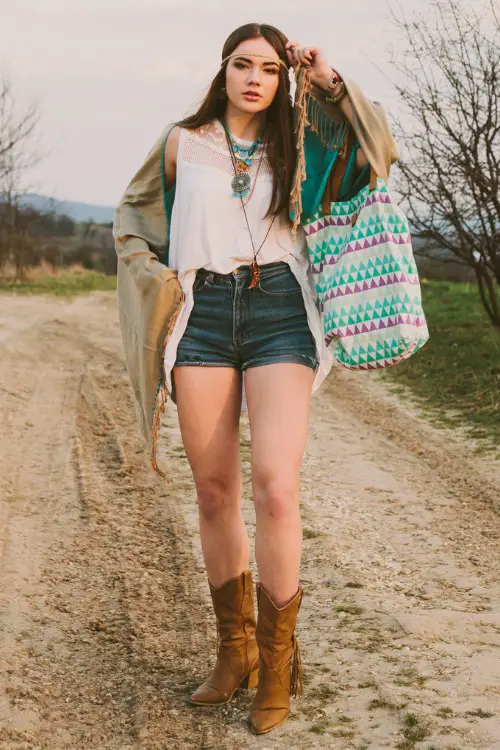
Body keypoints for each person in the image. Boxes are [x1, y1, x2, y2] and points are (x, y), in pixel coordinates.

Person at [113, 22, 399, 736]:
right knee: (213, 490)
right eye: (243, 65)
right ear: (223, 70)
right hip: (203, 312)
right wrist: (157, 279)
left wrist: (327, 83)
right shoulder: (182, 143)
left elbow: (377, 155)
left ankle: (278, 662)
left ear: (281, 79)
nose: (255, 78)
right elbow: (131, 219)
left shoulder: (304, 138)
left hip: (279, 309)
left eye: (270, 69)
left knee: (275, 484)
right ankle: (234, 650)